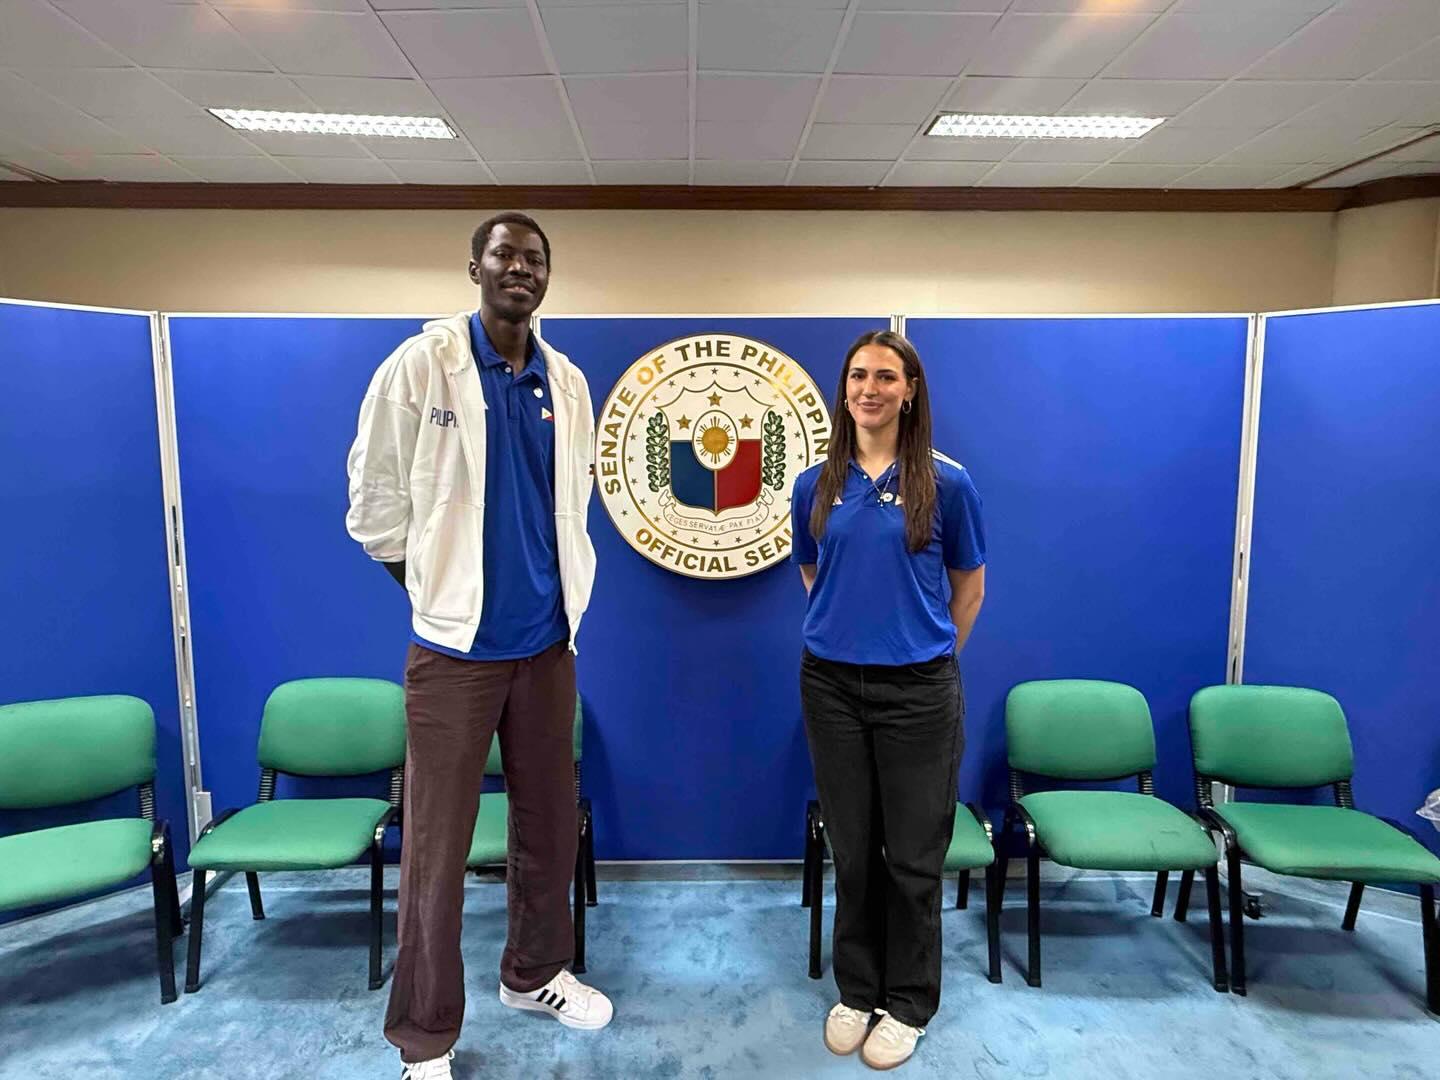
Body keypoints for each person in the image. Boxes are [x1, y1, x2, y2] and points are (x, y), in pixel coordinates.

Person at [346, 212, 611, 1080]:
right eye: (504, 255)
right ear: (473, 267)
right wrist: (435, 595)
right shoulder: (419, 366)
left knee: (547, 826)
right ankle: (425, 1034)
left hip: (546, 648)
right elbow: (374, 504)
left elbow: (567, 508)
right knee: (437, 846)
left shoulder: (565, 381)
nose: (520, 270)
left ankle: (534, 974)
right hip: (453, 657)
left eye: (535, 260)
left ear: (546, 278)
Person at [790, 329, 986, 1071]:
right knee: (854, 852)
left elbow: (968, 590)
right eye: (857, 376)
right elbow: (815, 576)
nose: (869, 388)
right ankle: (858, 990)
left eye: (885, 377)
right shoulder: (815, 483)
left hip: (920, 695)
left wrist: (919, 655)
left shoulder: (948, 484)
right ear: (845, 390)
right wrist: (856, 640)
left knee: (912, 856)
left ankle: (908, 1002)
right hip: (831, 688)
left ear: (910, 391)